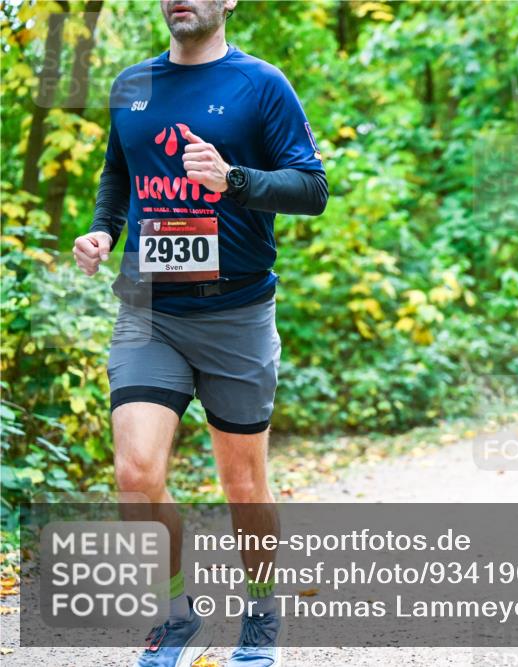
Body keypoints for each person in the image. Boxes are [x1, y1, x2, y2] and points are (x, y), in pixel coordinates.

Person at [72, 2, 328, 665]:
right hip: (149, 309)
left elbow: (312, 188)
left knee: (243, 486)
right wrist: (105, 228)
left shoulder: (261, 84)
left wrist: (232, 180)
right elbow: (118, 174)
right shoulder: (133, 84)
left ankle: (263, 607)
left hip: (237, 313)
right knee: (136, 473)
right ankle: (177, 612)